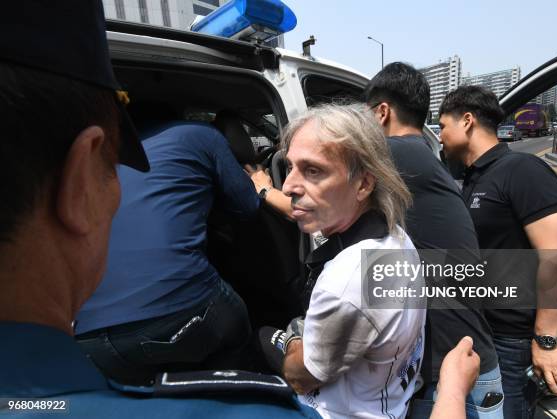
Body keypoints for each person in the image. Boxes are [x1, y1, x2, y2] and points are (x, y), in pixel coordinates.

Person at [0, 2, 320, 418]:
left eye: (313, 170)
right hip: (189, 321)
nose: (294, 184)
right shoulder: (380, 253)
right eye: (111, 170)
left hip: (96, 345)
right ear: (79, 184)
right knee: (242, 322)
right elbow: (244, 210)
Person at [363, 63, 502, 418]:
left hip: (453, 374)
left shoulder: (396, 154)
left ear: (382, 113)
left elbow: (324, 198)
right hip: (464, 360)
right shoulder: (420, 156)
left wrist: (263, 189)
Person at [74, 118, 260, 384]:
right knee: (238, 329)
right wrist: (256, 180)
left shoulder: (99, 156)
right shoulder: (201, 134)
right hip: (181, 311)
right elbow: (247, 206)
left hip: (87, 337)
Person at [270, 104, 426, 419]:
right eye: (290, 167)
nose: (288, 187)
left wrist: (290, 342)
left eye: (313, 171)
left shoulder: (346, 282)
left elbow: (301, 378)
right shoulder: (395, 237)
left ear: (364, 184)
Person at [438, 85, 557, 419]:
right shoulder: (472, 179)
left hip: (509, 343)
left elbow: (556, 256)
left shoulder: (521, 170)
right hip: (477, 333)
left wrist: (546, 340)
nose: (439, 136)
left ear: (467, 121)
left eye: (442, 126)